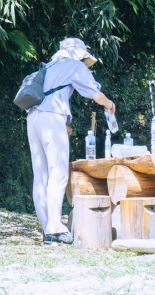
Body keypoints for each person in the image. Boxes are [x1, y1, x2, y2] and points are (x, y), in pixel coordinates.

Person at [27, 37, 116, 245]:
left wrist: (64, 122)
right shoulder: (73, 65)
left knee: (40, 174)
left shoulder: (48, 67)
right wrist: (109, 104)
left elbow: (52, 94)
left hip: (33, 118)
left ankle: (47, 227)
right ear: (79, 54)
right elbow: (94, 93)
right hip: (51, 117)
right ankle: (55, 229)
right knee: (58, 172)